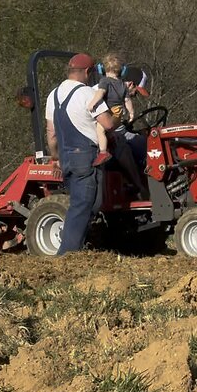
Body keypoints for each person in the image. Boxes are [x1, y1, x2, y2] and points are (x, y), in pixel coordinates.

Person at [45, 53, 118, 256]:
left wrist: (56, 158)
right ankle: (67, 255)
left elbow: (51, 134)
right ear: (87, 72)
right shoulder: (87, 93)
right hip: (86, 157)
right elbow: (108, 124)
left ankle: (80, 249)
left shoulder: (53, 95)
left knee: (86, 204)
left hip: (66, 158)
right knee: (83, 205)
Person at [85, 53, 136, 166]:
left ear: (102, 69)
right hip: (118, 112)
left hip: (110, 111)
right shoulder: (123, 84)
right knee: (111, 132)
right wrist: (131, 113)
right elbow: (127, 100)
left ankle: (103, 152)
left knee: (99, 130)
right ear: (122, 71)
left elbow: (100, 92)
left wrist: (92, 103)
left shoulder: (105, 81)